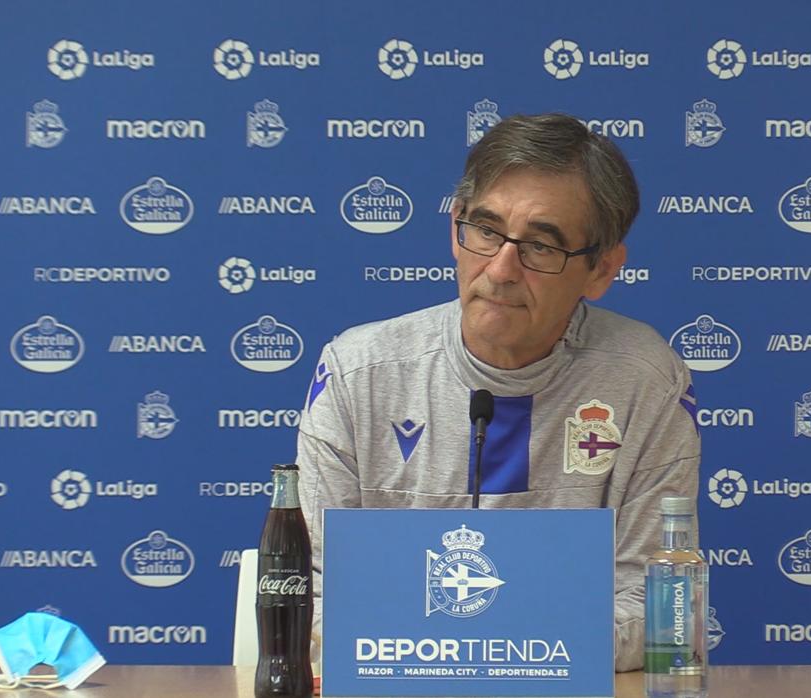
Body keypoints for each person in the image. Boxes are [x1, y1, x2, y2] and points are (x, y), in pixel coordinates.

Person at [295, 113, 700, 671]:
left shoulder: (643, 381)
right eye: (486, 231)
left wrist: (482, 648)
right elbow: (311, 594)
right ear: (455, 228)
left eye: (540, 246)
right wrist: (485, 650)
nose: (502, 269)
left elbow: (661, 610)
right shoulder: (358, 372)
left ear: (602, 269)